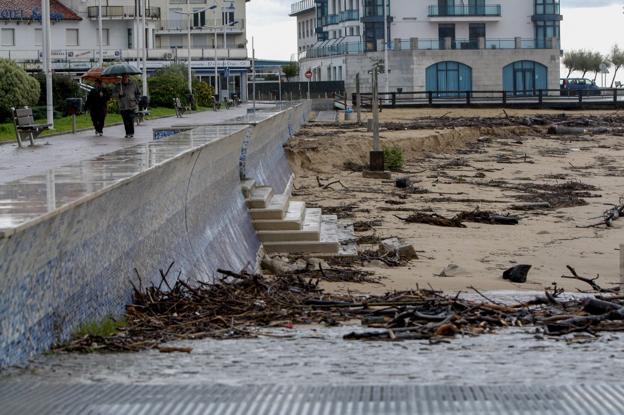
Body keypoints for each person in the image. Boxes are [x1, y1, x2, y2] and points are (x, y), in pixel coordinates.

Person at [113, 74, 140, 138]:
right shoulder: (118, 86)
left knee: (131, 119)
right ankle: (127, 133)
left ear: (128, 77)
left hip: (132, 105)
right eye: (123, 77)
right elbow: (114, 95)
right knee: (125, 120)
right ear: (122, 78)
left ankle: (131, 133)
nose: (125, 78)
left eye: (126, 77)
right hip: (123, 106)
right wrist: (119, 94)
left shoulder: (133, 84)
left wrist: (137, 101)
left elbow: (138, 93)